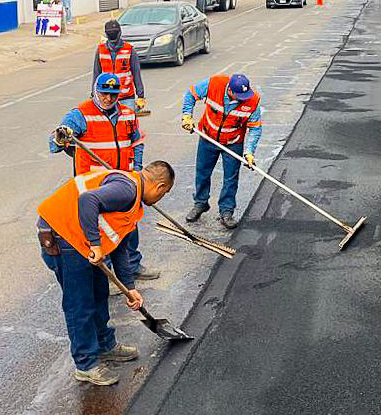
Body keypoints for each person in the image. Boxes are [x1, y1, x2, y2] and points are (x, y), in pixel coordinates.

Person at [37, 161, 176, 386]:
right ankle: (86, 365)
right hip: (64, 235)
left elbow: (120, 244)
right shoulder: (127, 190)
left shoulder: (133, 199)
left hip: (80, 238)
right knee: (80, 303)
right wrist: (95, 244)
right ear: (159, 187)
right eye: (164, 194)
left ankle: (104, 345)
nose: (161, 199)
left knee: (100, 293)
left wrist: (130, 288)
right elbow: (87, 200)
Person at [50, 73, 157, 286]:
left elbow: (137, 142)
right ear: (95, 91)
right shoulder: (80, 115)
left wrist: (136, 168)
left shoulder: (128, 114)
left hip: (124, 183)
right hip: (97, 187)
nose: (108, 98)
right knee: (102, 231)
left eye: (113, 94)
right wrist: (63, 136)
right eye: (104, 94)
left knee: (128, 226)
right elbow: (54, 143)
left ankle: (132, 266)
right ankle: (107, 276)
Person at [180, 73, 263, 230]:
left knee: (230, 178)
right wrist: (187, 116)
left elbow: (255, 128)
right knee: (203, 172)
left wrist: (250, 152)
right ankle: (200, 203)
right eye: (239, 96)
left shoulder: (253, 101)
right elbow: (190, 94)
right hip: (208, 136)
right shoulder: (215, 84)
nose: (242, 99)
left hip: (233, 142)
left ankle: (226, 211)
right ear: (229, 90)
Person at [93, 19, 146, 115]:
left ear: (119, 33)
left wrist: (140, 96)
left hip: (126, 97)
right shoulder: (100, 50)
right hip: (106, 97)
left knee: (128, 125)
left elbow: (136, 74)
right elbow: (97, 74)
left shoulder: (129, 50)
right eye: (110, 33)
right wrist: (94, 94)